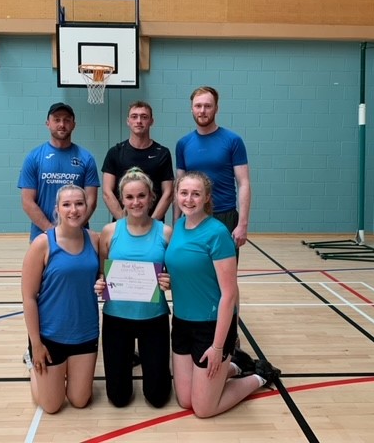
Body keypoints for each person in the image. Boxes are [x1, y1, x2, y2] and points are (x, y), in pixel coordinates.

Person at [165, 171, 280, 418]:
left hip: (211, 326)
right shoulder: (178, 227)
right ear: (176, 195)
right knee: (185, 401)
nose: (189, 199)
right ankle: (236, 366)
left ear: (207, 197)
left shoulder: (217, 233)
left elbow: (229, 294)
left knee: (203, 409)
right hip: (182, 322)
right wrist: (166, 282)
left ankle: (260, 375)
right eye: (184, 193)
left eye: (196, 194)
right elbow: (185, 275)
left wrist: (218, 347)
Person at [94, 168, 173, 408]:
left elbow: (173, 274)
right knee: (118, 399)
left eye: (141, 196)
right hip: (117, 318)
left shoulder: (166, 232)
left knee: (158, 398)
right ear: (122, 200)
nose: (136, 202)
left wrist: (169, 282)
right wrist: (101, 283)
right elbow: (103, 270)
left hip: (154, 317)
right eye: (129, 197)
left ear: (151, 197)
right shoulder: (109, 232)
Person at [21, 184, 100, 414]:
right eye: (67, 204)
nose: (73, 210)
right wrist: (36, 344)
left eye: (79, 204)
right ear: (57, 209)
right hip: (50, 336)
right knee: (52, 406)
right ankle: (32, 366)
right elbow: (28, 297)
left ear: (87, 207)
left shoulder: (95, 240)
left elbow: (105, 278)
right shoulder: (43, 244)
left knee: (80, 400)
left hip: (85, 333)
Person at [174, 86, 251, 255]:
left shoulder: (233, 140)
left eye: (207, 106)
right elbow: (178, 186)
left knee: (224, 269)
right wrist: (176, 224)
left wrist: (242, 224)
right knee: (193, 266)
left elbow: (243, 183)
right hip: (193, 216)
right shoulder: (183, 144)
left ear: (216, 108)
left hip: (224, 216)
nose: (202, 111)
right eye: (198, 106)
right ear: (192, 109)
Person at [18, 102, 100, 241]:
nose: (62, 124)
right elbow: (27, 202)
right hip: (43, 236)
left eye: (67, 120)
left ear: (73, 124)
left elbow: (91, 201)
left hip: (78, 236)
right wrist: (52, 232)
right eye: (57, 120)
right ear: (48, 123)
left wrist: (72, 230)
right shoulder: (34, 157)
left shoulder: (86, 158)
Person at [102, 101, 174, 222]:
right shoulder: (115, 152)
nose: (139, 121)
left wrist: (151, 224)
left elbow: (168, 193)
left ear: (151, 121)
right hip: (123, 224)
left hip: (154, 225)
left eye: (144, 117)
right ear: (128, 121)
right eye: (134, 117)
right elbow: (107, 192)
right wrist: (125, 223)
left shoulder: (162, 153)